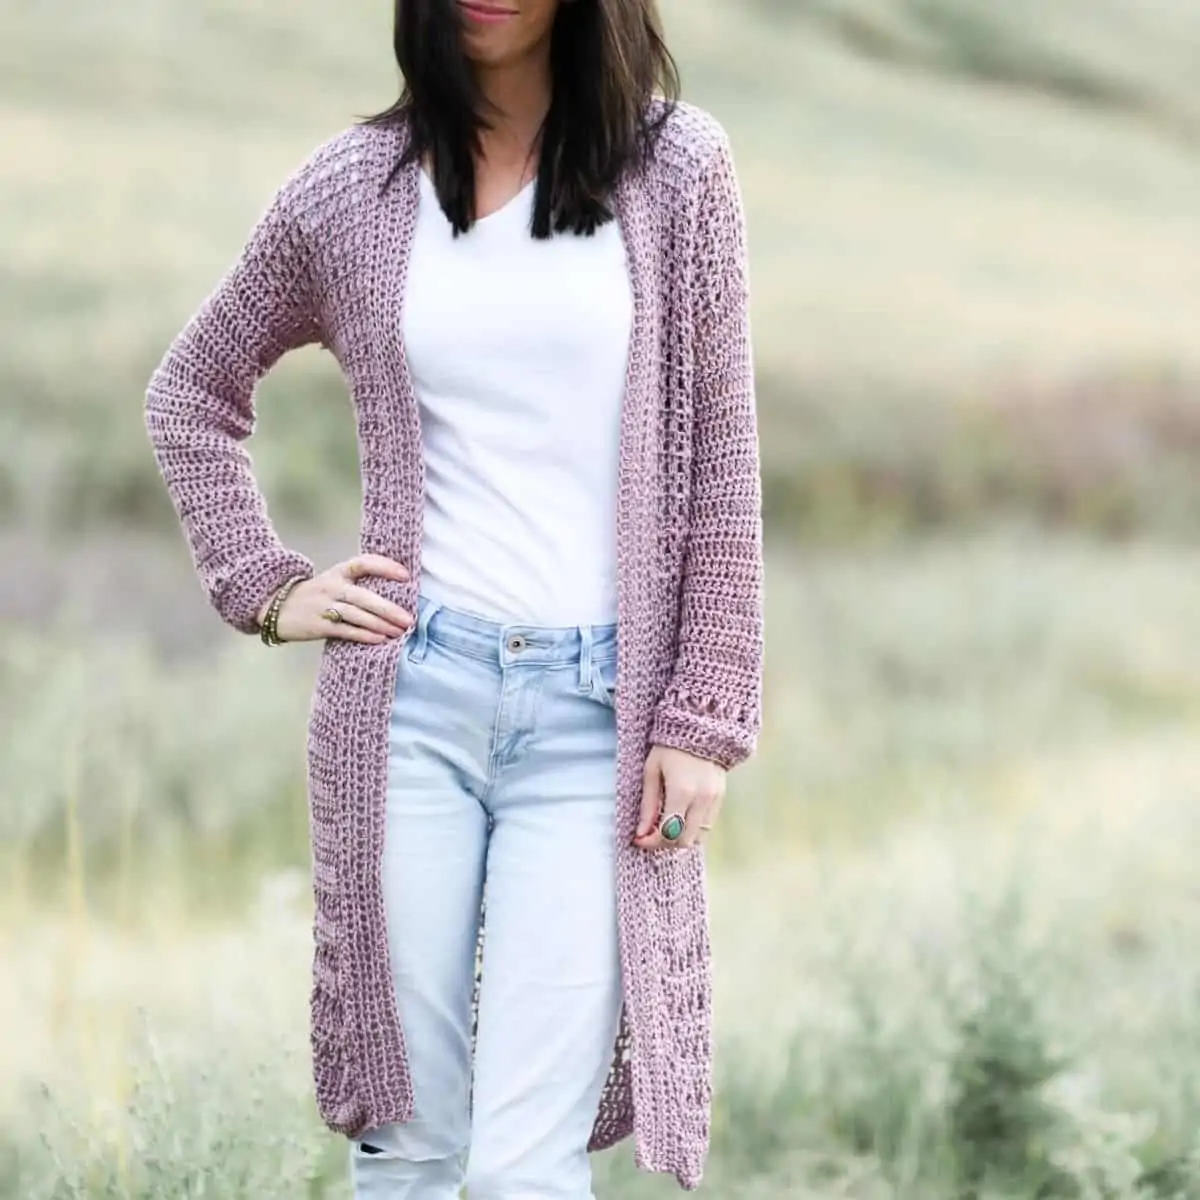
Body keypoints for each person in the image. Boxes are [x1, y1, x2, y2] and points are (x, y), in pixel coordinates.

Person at [144, 0, 763, 1195]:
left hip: (599, 721)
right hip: (409, 707)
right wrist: (267, 587)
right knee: (411, 1144)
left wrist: (702, 720)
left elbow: (723, 457)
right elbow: (193, 390)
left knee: (526, 1164)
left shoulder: (678, 170)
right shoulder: (353, 190)